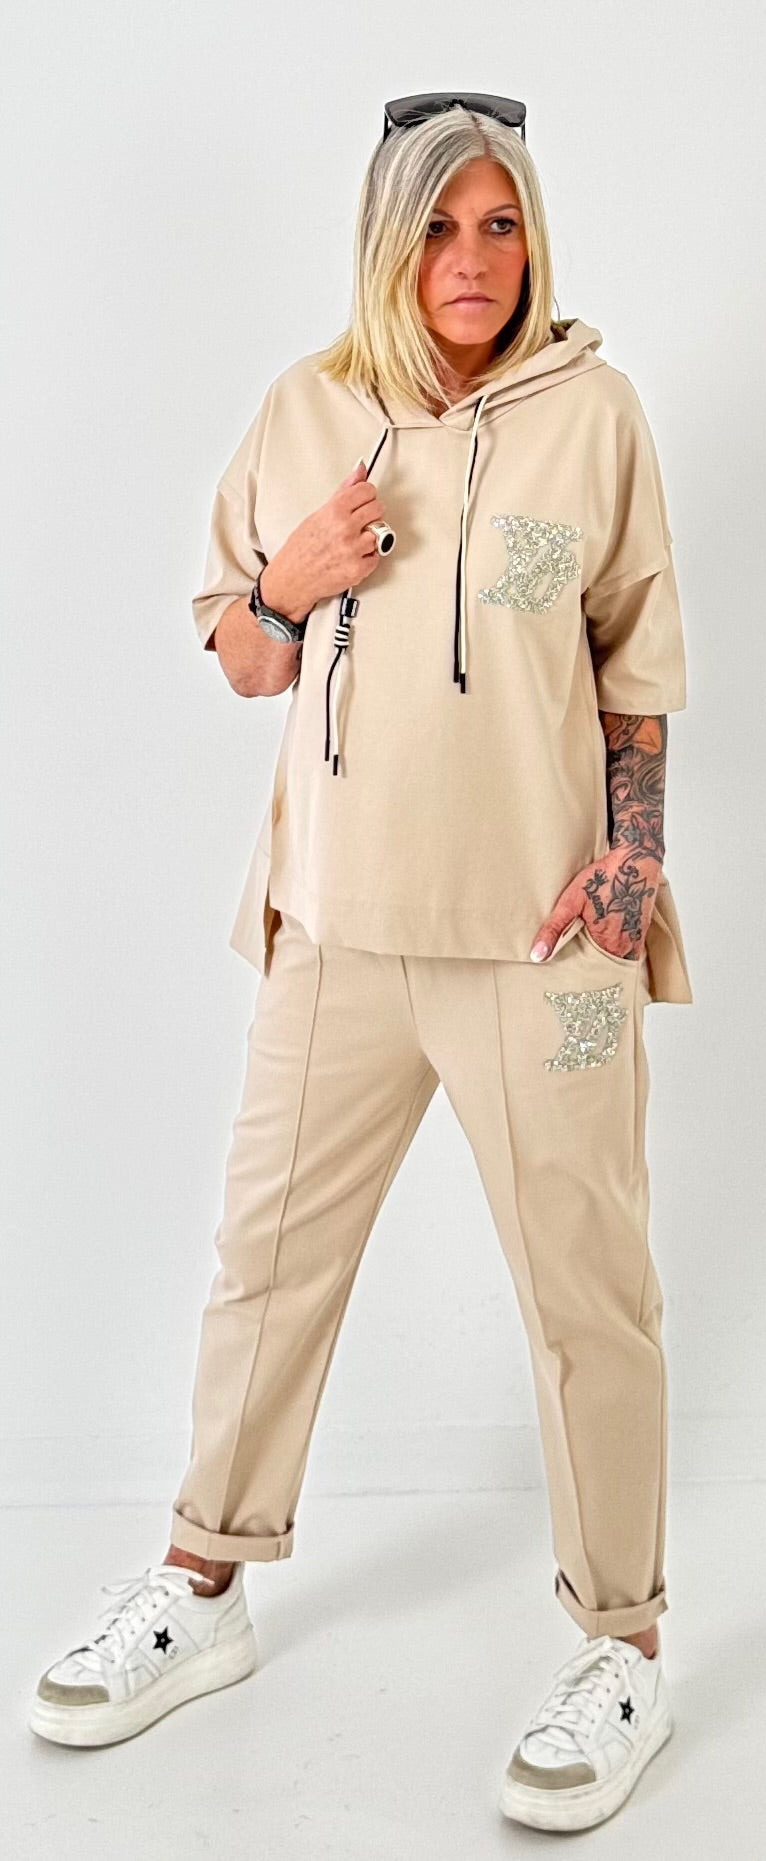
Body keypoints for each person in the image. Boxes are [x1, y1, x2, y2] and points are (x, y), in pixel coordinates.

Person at [29, 92, 693, 1834]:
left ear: (532, 237)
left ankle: (623, 1638)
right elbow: (245, 660)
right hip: (333, 932)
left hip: (540, 946)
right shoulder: (307, 408)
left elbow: (633, 662)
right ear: (386, 239)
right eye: (438, 225)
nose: (471, 258)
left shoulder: (594, 415)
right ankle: (203, 1580)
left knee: (591, 1293)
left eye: (500, 223)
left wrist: (630, 860)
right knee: (263, 1268)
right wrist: (290, 579)